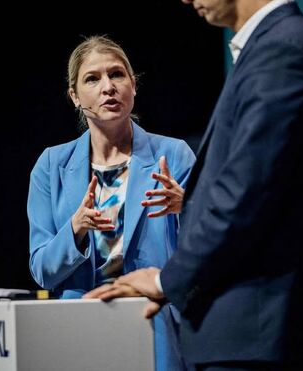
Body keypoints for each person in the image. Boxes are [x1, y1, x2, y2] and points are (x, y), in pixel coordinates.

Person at [85, 0, 303, 370]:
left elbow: (245, 195)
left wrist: (166, 280)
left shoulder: (283, 53)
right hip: (248, 330)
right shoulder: (277, 49)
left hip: (255, 331)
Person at [28, 35, 196, 371]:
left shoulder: (173, 155)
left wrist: (188, 208)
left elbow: (206, 252)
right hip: (81, 331)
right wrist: (75, 228)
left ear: (133, 85)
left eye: (117, 74)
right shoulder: (51, 166)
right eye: (92, 79)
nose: (108, 87)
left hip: (156, 325)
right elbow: (42, 271)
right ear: (75, 96)